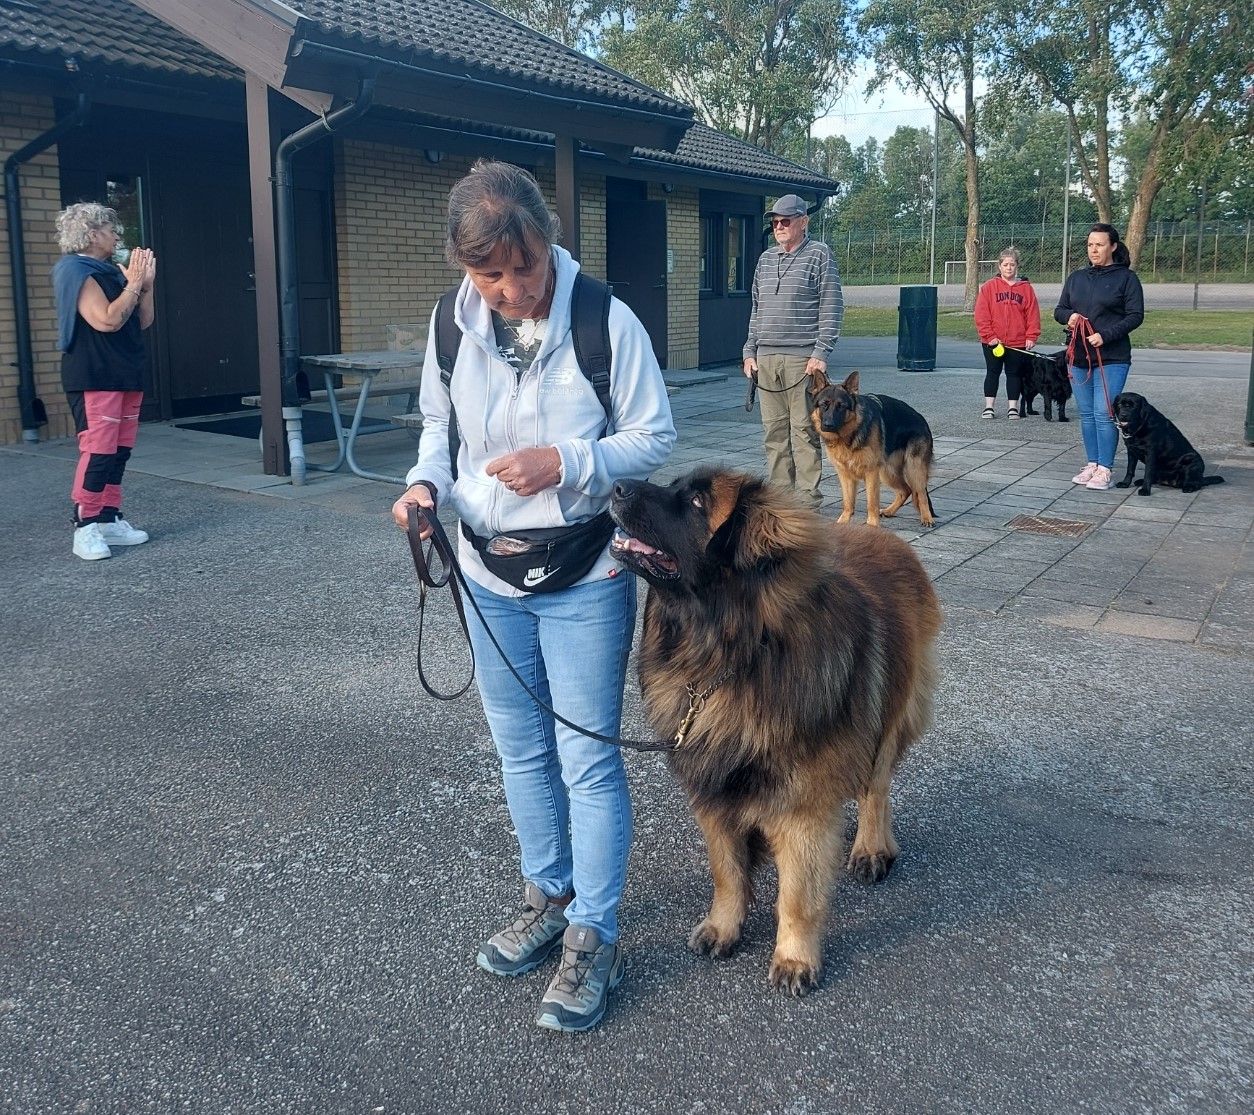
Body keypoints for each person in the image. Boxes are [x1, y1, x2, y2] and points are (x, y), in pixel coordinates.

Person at [390, 160, 675, 1033]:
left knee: (586, 756)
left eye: (526, 267)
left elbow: (654, 435)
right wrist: (422, 487)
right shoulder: (450, 323)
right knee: (521, 752)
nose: (511, 289)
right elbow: (441, 429)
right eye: (490, 274)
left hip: (584, 574)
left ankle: (596, 928)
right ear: (463, 266)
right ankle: (547, 894)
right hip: (485, 572)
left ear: (550, 242)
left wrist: (569, 461)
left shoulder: (604, 320)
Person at [51, 203, 156, 561]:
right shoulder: (75, 270)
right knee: (98, 451)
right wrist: (133, 284)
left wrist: (145, 287)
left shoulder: (108, 271)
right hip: (95, 375)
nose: (117, 236)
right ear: (92, 233)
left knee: (119, 451)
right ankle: (85, 526)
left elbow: (140, 321)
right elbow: (107, 321)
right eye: (111, 230)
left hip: (125, 373)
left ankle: (109, 518)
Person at [742, 194, 843, 510]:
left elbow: (832, 305)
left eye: (786, 220)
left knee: (803, 430)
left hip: (803, 360)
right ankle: (782, 498)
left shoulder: (819, 254)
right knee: (773, 431)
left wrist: (821, 351)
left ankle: (808, 500)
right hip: (766, 359)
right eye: (775, 222)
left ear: (803, 221)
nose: (779, 226)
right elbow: (756, 309)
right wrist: (749, 351)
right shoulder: (766, 259)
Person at [1054, 223, 1145, 490]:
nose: (1094, 250)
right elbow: (1059, 309)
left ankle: (1105, 468)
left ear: (1113, 247)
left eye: (1100, 245)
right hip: (1079, 357)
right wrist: (1068, 317)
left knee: (1103, 413)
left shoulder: (1127, 279)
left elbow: (1135, 315)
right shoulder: (1076, 278)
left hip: (1112, 357)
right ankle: (1092, 463)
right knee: (1086, 414)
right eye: (1091, 245)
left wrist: (1106, 335)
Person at [974, 247, 1040, 420]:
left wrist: (1031, 335)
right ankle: (989, 407)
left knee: (1014, 374)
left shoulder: (1026, 289)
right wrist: (990, 336)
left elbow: (1032, 314)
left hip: (1016, 342)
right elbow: (981, 315)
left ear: (1017, 266)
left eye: (1012, 264)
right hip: (993, 342)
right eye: (1005, 265)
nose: (1009, 268)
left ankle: (1013, 407)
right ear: (999, 266)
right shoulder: (989, 287)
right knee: (992, 372)